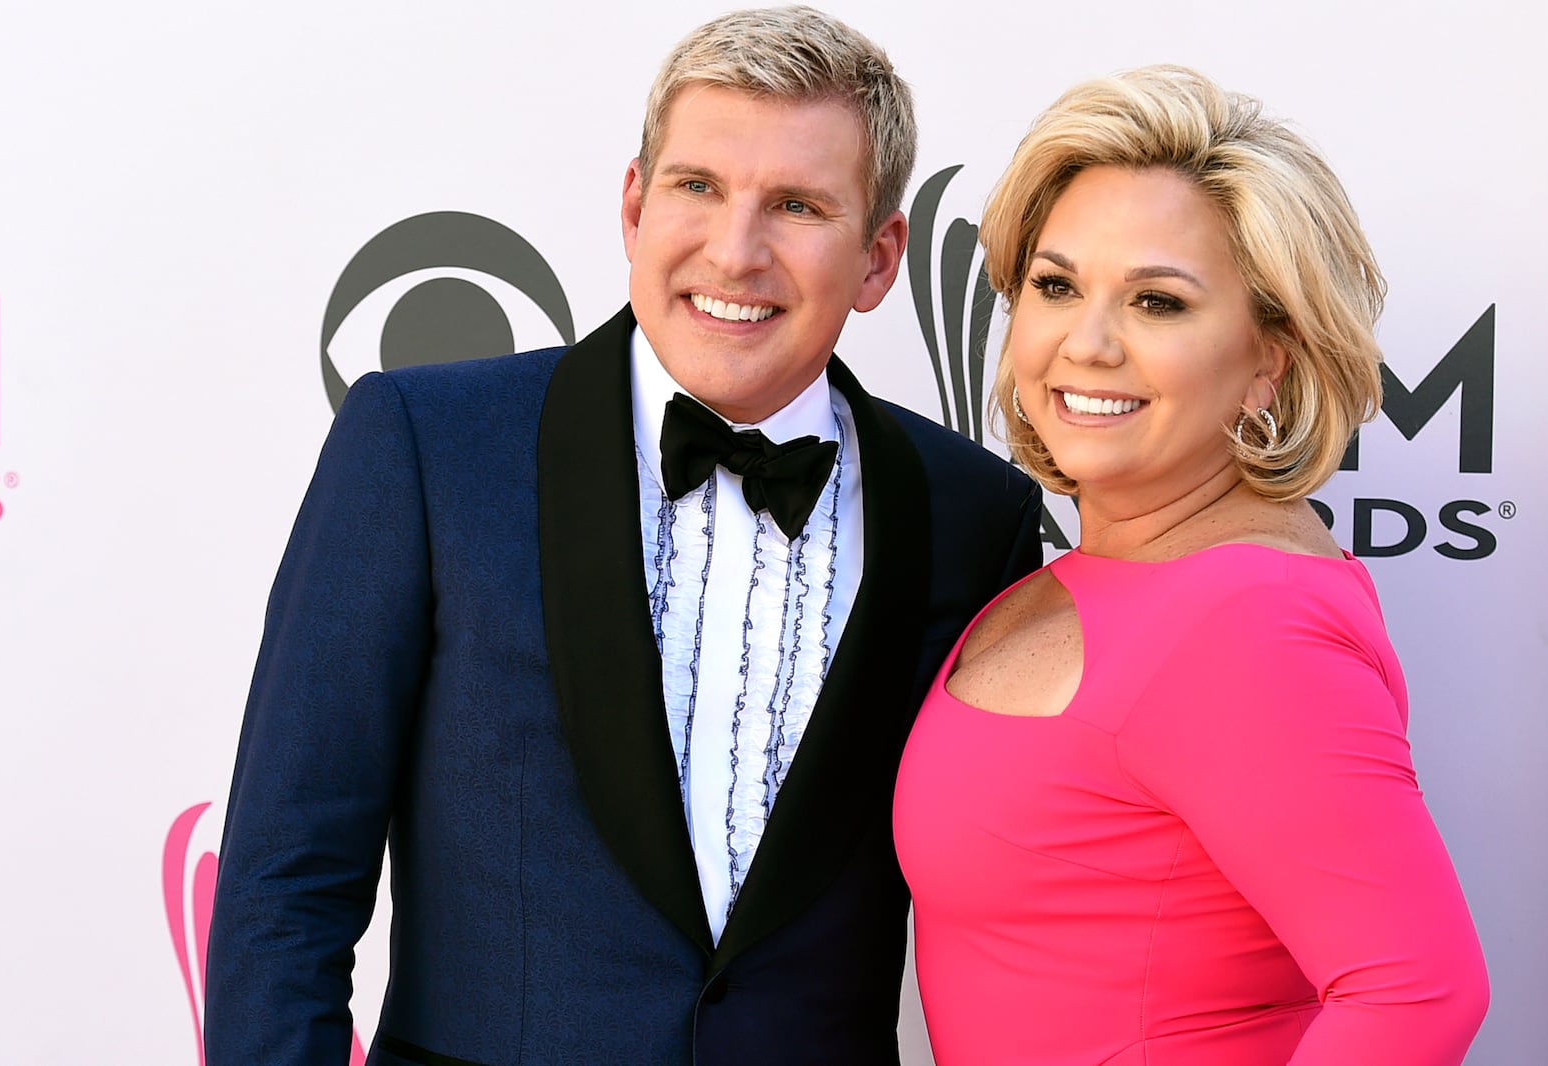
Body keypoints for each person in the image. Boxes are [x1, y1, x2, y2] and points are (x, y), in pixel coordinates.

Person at [204, 7, 1040, 1066]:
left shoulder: (974, 513)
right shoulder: (424, 447)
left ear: (878, 259)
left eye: (796, 204)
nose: (735, 253)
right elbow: (285, 885)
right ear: (635, 204)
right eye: (698, 187)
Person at [893, 66, 1489, 1065]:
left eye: (1157, 303)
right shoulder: (1089, 575)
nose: (1085, 343)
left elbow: (1417, 992)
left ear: (1269, 360)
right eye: (1055, 285)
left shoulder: (1242, 620)